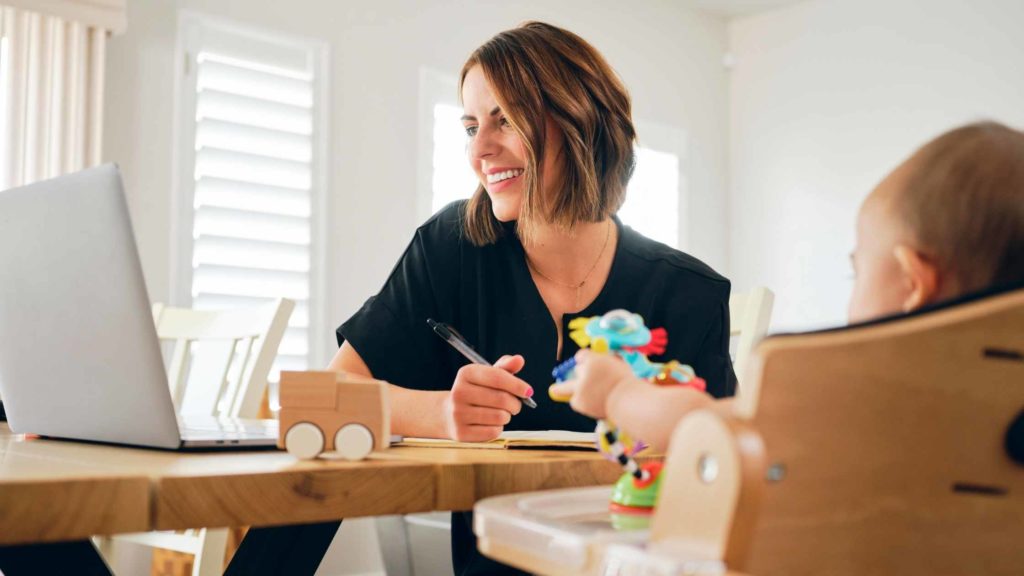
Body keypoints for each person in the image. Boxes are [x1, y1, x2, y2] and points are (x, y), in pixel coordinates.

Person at [329, 21, 736, 576]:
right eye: (471, 125)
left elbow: (721, 465)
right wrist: (443, 413)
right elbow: (332, 395)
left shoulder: (689, 291)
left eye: (505, 120)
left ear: (579, 122)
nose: (480, 149)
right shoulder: (451, 246)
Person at [550, 120, 1024, 452]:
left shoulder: (856, 393)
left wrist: (619, 395)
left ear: (912, 285)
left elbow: (707, 430)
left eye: (856, 272)